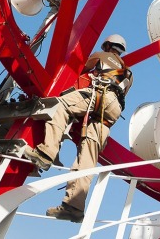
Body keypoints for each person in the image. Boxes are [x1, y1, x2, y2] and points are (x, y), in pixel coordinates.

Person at [23, 34, 133, 223]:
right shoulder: (129, 73)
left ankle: (46, 153)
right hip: (112, 111)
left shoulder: (101, 55)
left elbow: (81, 70)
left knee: (61, 106)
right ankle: (74, 207)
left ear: (107, 45)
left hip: (99, 94)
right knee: (89, 156)